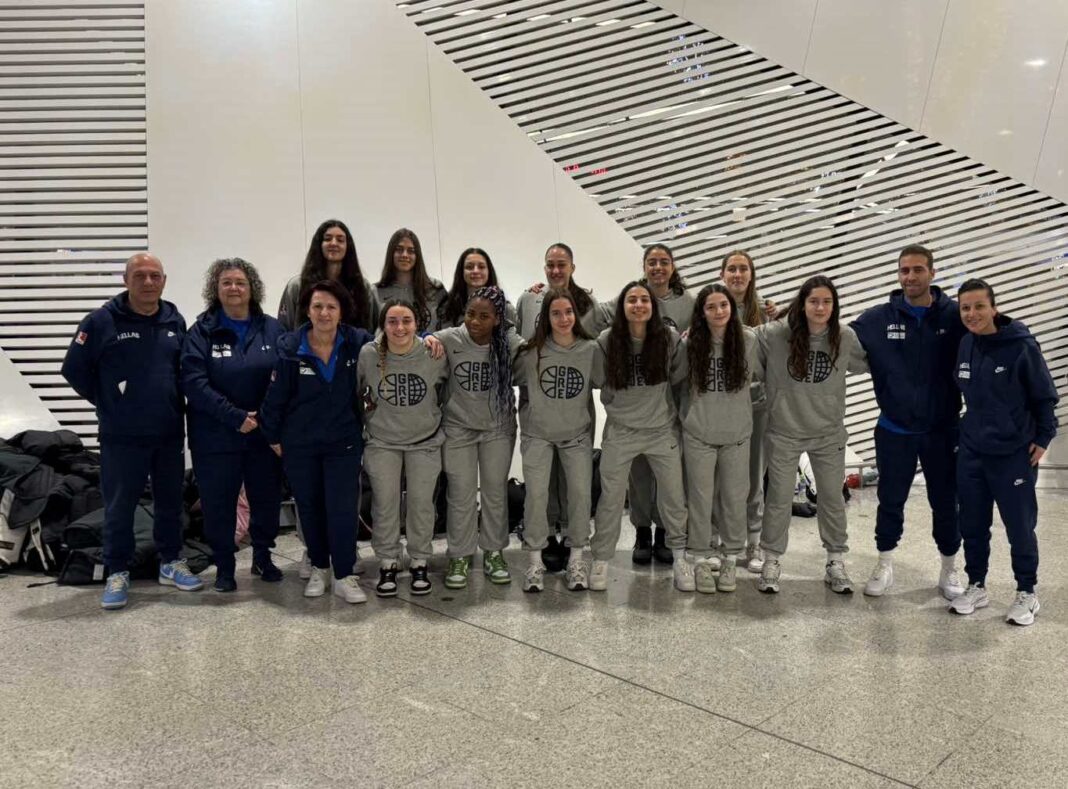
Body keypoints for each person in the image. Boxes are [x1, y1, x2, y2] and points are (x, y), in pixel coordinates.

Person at [61, 253, 201, 609]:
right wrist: (109, 401)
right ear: (126, 280)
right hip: (121, 435)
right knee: (120, 506)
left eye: (155, 276)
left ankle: (171, 561)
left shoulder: (174, 319)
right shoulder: (99, 321)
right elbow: (73, 370)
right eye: (140, 275)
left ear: (164, 281)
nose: (148, 282)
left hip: (168, 431)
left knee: (170, 502)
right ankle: (117, 570)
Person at [850, 245, 966, 599]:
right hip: (894, 431)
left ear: (932, 272)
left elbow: (991, 336)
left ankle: (949, 568)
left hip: (942, 430)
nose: (910, 277)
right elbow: (830, 336)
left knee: (946, 502)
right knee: (890, 500)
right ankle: (884, 564)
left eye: (917, 270)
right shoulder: (877, 319)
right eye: (904, 270)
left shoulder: (955, 316)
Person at [949, 279, 1058, 626]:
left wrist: (1043, 437)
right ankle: (976, 585)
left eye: (979, 306)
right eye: (965, 308)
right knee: (972, 524)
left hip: (1013, 453)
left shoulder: (1021, 346)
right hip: (972, 452)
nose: (972, 314)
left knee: (1020, 527)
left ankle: (1027, 591)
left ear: (994, 308)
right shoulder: (966, 343)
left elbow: (1044, 396)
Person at [259, 280, 374, 604]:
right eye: (318, 306)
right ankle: (320, 568)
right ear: (307, 311)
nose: (324, 313)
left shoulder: (357, 342)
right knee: (309, 508)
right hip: (300, 444)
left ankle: (343, 575)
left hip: (343, 442)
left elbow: (392, 342)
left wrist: (428, 338)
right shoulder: (290, 347)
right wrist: (272, 437)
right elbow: (275, 398)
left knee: (342, 509)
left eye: (331, 307)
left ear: (341, 312)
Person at [755, 275, 867, 594]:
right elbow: (742, 339)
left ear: (835, 306)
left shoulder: (844, 337)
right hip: (784, 431)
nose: (820, 308)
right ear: (802, 304)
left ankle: (835, 561)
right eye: (814, 301)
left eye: (827, 302)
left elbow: (869, 363)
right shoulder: (776, 334)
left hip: (827, 433)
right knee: (778, 499)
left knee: (832, 498)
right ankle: (771, 559)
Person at [180, 258, 285, 592]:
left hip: (262, 434)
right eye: (226, 282)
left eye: (240, 282)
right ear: (216, 289)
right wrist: (235, 417)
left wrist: (264, 418)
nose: (234, 288)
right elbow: (194, 383)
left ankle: (263, 556)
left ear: (252, 288)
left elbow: (285, 378)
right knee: (219, 503)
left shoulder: (273, 329)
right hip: (215, 436)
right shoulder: (200, 332)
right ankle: (224, 566)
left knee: (265, 498)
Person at [588, 282, 689, 592]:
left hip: (661, 430)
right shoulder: (607, 340)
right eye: (631, 300)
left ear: (653, 306)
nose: (638, 305)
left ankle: (681, 558)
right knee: (610, 499)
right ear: (623, 307)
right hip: (621, 431)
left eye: (644, 299)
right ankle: (601, 559)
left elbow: (678, 377)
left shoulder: (669, 338)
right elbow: (598, 379)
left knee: (673, 497)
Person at [516, 242, 607, 572]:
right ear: (544, 268)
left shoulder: (587, 304)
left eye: (562, 264)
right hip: (538, 403)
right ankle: (547, 536)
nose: (556, 270)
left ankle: (572, 538)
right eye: (550, 264)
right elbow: (518, 341)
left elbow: (593, 353)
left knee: (575, 482)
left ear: (572, 267)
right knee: (541, 484)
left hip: (573, 403)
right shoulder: (529, 299)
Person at [427, 286, 522, 589]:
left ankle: (494, 552)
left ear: (497, 319)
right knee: (461, 495)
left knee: (495, 493)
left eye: (484, 316)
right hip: (458, 428)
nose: (475, 321)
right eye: (470, 314)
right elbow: (421, 342)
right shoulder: (450, 338)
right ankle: (460, 554)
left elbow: (535, 350)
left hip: (497, 428)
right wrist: (427, 338)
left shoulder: (508, 342)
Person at [358, 300, 448, 597]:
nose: (400, 327)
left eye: (406, 320)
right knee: (385, 504)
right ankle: (388, 561)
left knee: (422, 504)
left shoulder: (433, 353)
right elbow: (357, 391)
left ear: (417, 324)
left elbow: (446, 389)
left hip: (425, 440)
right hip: (382, 440)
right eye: (393, 321)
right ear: (383, 325)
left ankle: (420, 559)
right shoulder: (369, 354)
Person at [616, 243, 694, 566]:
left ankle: (664, 531)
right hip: (637, 406)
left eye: (664, 262)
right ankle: (642, 531)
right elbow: (597, 316)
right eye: (652, 262)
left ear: (673, 266)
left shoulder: (689, 303)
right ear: (644, 266)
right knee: (639, 475)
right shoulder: (633, 298)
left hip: (671, 404)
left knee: (670, 477)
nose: (658, 267)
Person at [679, 284, 760, 594]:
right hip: (699, 433)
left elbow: (767, 373)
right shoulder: (690, 344)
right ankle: (700, 559)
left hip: (736, 434)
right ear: (702, 312)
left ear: (732, 307)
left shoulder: (749, 340)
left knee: (734, 499)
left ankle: (729, 558)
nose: (718, 311)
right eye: (711, 307)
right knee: (700, 499)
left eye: (723, 305)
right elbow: (676, 382)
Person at [720, 250, 778, 573]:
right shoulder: (711, 306)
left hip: (757, 405)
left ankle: (753, 540)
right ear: (722, 274)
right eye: (732, 268)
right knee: (722, 477)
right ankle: (720, 538)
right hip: (721, 407)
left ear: (751, 274)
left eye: (743, 269)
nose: (738, 274)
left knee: (755, 477)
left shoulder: (765, 312)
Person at [277, 218, 375, 332]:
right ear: (319, 244)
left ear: (348, 246)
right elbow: (284, 329)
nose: (334, 243)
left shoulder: (362, 287)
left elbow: (370, 330)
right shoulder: (296, 286)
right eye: (328, 239)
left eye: (340, 240)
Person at [373, 228, 448, 334]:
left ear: (417, 256)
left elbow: (447, 326)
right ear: (391, 253)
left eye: (411, 251)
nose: (405, 255)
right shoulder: (375, 292)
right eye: (399, 249)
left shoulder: (436, 289)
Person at [439, 247, 517, 329]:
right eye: (469, 267)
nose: (475, 271)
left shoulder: (505, 309)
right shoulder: (447, 308)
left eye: (481, 267)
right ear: (461, 272)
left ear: (489, 271)